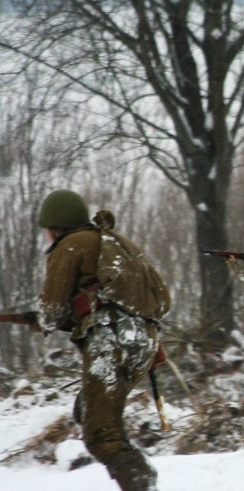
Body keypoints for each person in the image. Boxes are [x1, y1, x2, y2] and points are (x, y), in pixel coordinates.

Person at [34, 189, 171, 491]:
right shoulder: (114, 240)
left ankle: (143, 484)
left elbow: (51, 311)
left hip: (111, 343)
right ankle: (139, 476)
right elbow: (161, 297)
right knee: (86, 412)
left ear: (54, 227)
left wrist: (42, 319)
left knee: (101, 434)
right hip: (143, 343)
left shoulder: (70, 246)